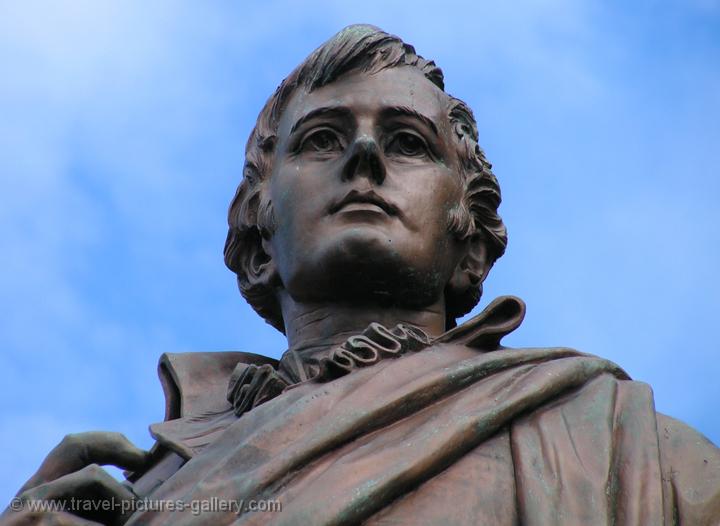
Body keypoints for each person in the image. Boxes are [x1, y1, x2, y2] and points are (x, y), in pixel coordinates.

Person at [4, 24, 719, 525]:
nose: (366, 158)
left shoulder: (632, 452)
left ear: (467, 236)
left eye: (409, 142)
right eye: (322, 140)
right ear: (259, 237)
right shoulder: (129, 497)